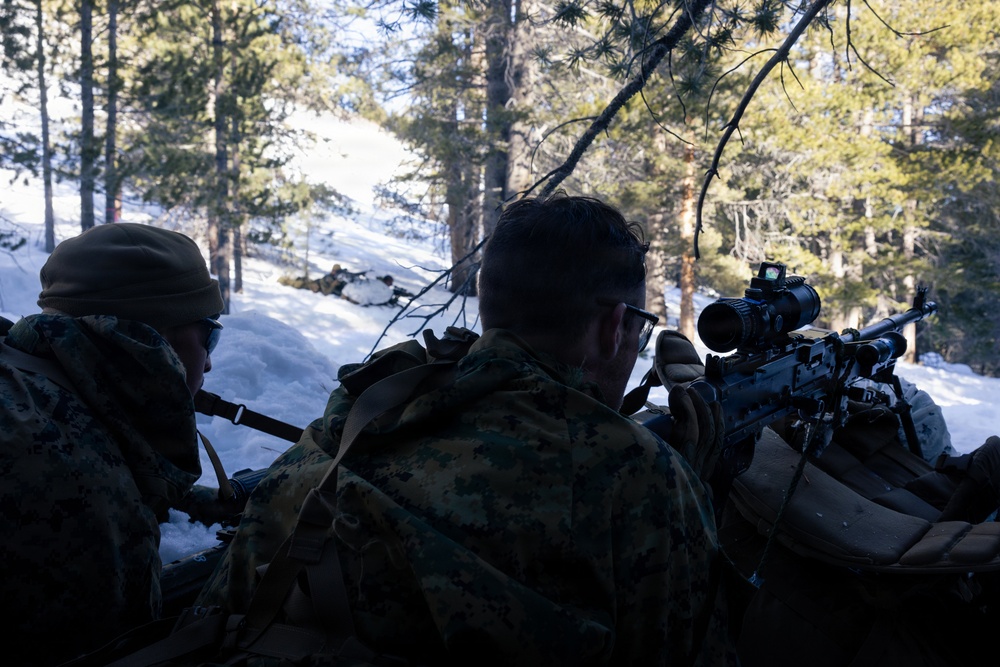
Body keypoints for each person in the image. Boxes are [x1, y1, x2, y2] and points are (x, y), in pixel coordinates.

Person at [198, 194, 738, 665]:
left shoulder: (365, 410)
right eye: (638, 330)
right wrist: (695, 486)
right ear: (614, 325)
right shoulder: (638, 478)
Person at [0, 223, 226, 666]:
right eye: (209, 336)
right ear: (153, 340)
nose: (212, 363)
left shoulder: (32, 380)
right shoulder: (73, 478)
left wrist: (195, 501)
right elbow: (114, 644)